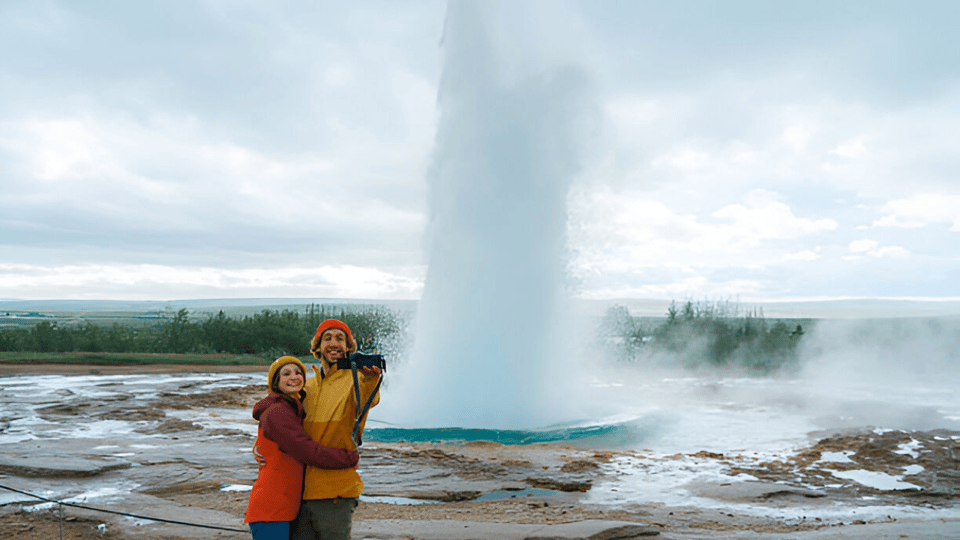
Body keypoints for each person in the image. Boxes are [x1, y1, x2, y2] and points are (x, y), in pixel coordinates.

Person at [244, 356, 360, 540]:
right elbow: (307, 451)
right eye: (286, 373)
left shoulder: (291, 409)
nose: (294, 377)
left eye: (298, 373)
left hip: (285, 508)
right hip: (271, 509)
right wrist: (348, 458)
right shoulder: (278, 412)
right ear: (276, 381)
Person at [292, 319, 382, 540]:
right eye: (328, 338)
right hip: (298, 490)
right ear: (317, 346)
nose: (334, 343)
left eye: (340, 338)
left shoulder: (356, 379)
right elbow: (285, 423)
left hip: (335, 492)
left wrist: (371, 379)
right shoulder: (306, 385)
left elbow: (368, 396)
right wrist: (261, 449)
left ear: (349, 347)